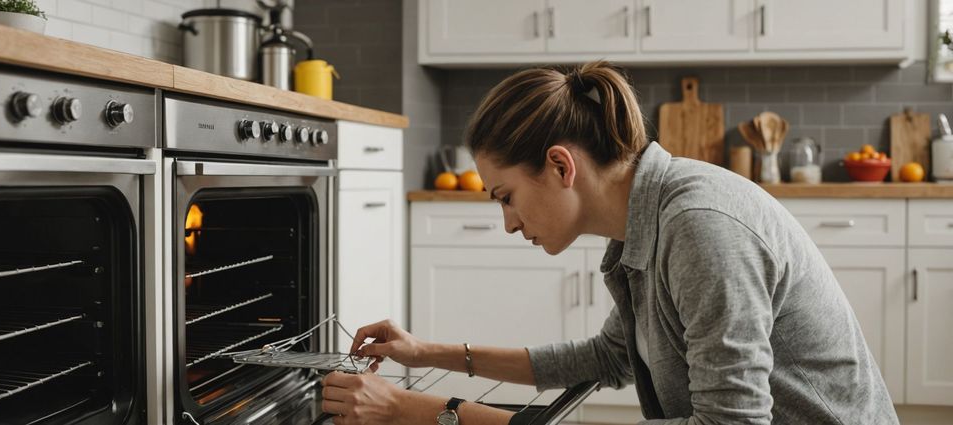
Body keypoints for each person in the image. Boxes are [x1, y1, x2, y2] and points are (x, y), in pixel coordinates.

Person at [321, 61, 899, 425]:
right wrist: (427, 353)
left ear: (559, 165)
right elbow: (608, 357)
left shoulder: (699, 225)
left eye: (505, 196)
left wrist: (429, 413)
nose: (509, 223)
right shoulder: (645, 223)